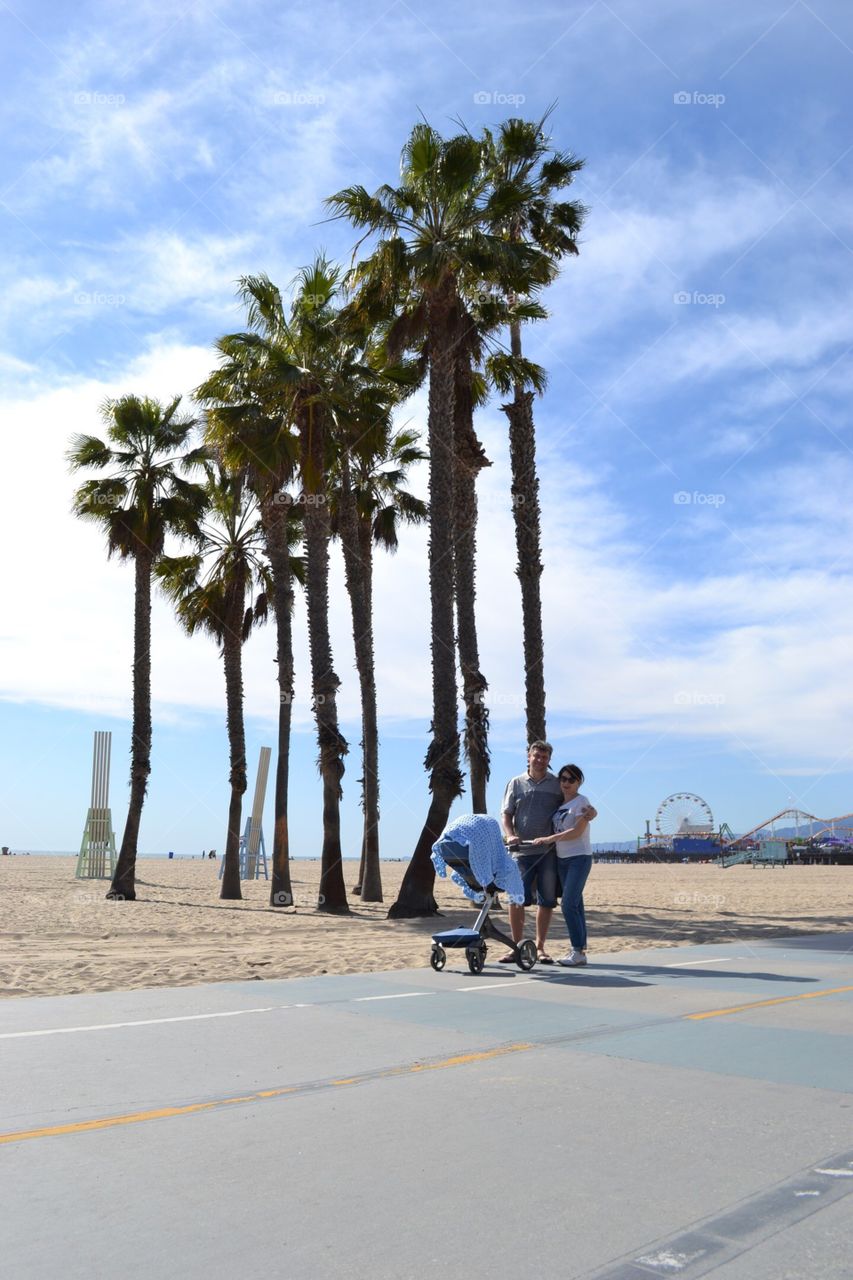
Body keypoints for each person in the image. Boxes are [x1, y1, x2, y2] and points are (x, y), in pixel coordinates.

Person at [501, 741, 571, 964]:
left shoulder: (556, 784)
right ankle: (516, 947)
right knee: (516, 899)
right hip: (521, 852)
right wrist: (510, 835)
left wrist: (588, 812)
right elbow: (506, 815)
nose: (540, 760)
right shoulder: (516, 783)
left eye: (544, 757)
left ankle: (540, 948)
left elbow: (572, 805)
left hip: (549, 853)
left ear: (549, 760)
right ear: (528, 757)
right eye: (537, 756)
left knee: (547, 900)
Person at [531, 763, 594, 967]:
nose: (566, 783)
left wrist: (549, 839)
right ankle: (580, 950)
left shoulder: (582, 803)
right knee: (576, 905)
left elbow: (576, 832)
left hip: (579, 857)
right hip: (561, 859)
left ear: (579, 782)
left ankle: (577, 951)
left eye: (571, 780)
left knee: (568, 904)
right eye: (563, 779)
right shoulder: (560, 806)